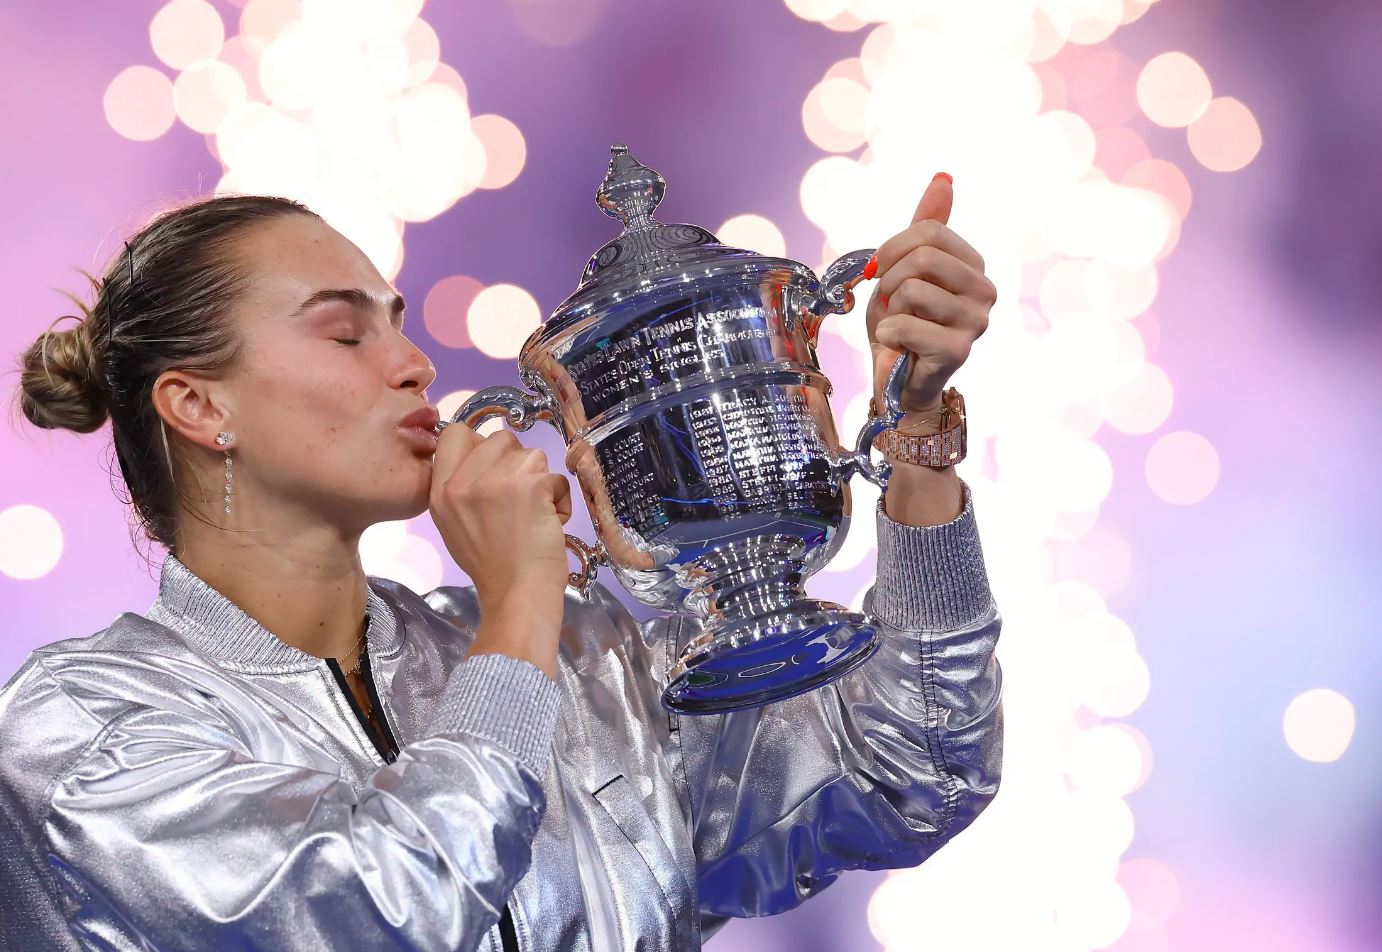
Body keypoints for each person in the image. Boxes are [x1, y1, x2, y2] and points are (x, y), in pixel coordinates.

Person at [0, 173, 1003, 952]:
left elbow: (910, 770)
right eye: (345, 332)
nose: (414, 365)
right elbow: (386, 909)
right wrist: (520, 600)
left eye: (398, 325)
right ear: (198, 405)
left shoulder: (581, 660)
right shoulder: (79, 726)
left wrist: (915, 431)